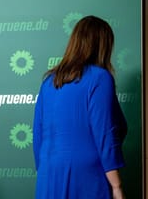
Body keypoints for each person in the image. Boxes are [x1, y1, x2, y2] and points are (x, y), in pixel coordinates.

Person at [33, 15, 127, 199]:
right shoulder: (100, 78)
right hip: (86, 176)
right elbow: (104, 134)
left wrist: (44, 171)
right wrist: (116, 186)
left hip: (48, 174)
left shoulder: (49, 81)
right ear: (103, 46)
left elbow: (37, 134)